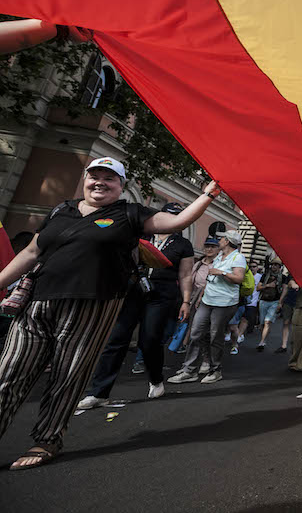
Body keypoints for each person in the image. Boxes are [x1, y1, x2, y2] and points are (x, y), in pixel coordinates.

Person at [0, 157, 218, 469]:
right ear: (85, 179)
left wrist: (208, 194)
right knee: (8, 372)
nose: (99, 182)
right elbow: (32, 252)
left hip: (92, 305)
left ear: (120, 185)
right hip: (38, 302)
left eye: (109, 178)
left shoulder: (130, 213)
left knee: (67, 375)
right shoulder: (62, 210)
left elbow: (177, 222)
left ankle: (47, 439)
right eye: (94, 176)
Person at [77, 202, 196, 409]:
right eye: (167, 214)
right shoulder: (142, 234)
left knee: (149, 340)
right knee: (116, 338)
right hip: (133, 289)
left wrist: (186, 301)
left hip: (162, 294)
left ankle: (156, 379)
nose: (171, 219)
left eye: (176, 216)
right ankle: (98, 392)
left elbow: (185, 274)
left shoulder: (183, 245)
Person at [168, 230, 247, 385]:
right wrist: (202, 296)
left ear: (228, 241)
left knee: (214, 336)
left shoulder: (238, 257)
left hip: (224, 303)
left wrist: (221, 272)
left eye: (222, 238)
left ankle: (215, 370)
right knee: (196, 333)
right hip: (207, 301)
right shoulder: (219, 256)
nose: (219, 240)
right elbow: (210, 279)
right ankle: (189, 370)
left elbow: (239, 278)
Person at [255, 260, 284, 351]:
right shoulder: (265, 276)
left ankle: (262, 342)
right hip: (263, 301)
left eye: (276, 265)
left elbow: (284, 290)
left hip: (274, 302)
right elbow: (258, 288)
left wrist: (280, 303)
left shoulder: (283, 277)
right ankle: (264, 336)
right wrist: (268, 285)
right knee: (262, 324)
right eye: (272, 265)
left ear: (280, 267)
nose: (274, 266)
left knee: (267, 322)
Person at [276, 275, 298, 354]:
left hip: (299, 303)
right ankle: (284, 345)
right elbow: (285, 288)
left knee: (297, 325)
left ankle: (296, 346)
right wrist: (280, 301)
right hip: (288, 301)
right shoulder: (290, 274)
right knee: (286, 322)